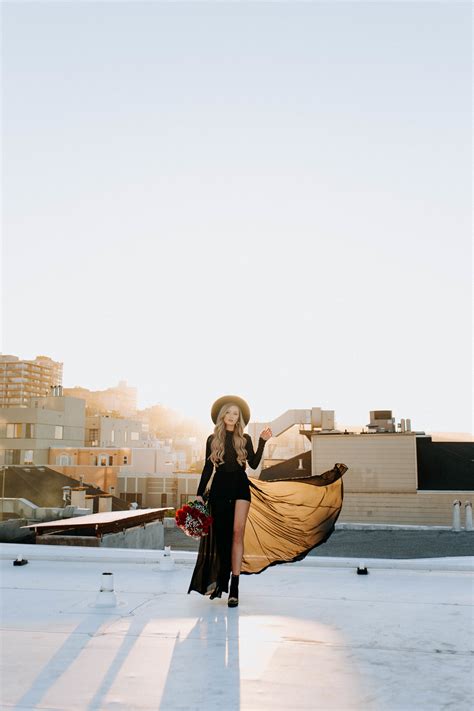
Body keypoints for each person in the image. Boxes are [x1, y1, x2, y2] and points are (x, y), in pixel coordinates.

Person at [187, 395, 348, 607]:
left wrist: (263, 441)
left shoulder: (245, 439)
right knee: (221, 537)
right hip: (218, 490)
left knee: (237, 534)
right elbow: (208, 469)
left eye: (236, 414)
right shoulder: (212, 439)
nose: (232, 417)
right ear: (222, 415)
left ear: (239, 418)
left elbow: (253, 464)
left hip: (240, 487)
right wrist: (199, 495)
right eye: (229, 412)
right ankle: (220, 581)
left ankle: (234, 589)